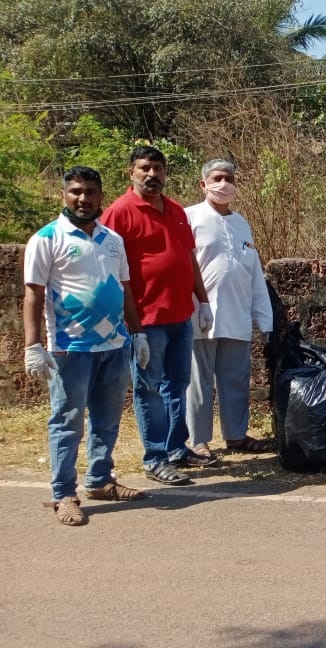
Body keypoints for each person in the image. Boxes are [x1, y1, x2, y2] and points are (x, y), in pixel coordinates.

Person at [23, 166, 148, 525]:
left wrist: (137, 333)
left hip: (114, 345)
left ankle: (100, 480)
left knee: (107, 420)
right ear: (64, 194)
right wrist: (33, 345)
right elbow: (33, 294)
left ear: (100, 196)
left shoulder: (112, 239)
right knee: (67, 421)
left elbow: (125, 288)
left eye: (91, 191)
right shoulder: (47, 238)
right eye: (76, 191)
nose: (83, 198)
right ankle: (63, 493)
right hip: (70, 348)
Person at [101, 146, 216, 486]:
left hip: (180, 315)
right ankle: (155, 458)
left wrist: (203, 300)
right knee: (148, 388)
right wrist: (128, 323)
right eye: (144, 168)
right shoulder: (119, 213)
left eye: (158, 168)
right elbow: (109, 271)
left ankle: (176, 448)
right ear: (131, 173)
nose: (152, 175)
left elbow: (188, 256)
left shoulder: (177, 210)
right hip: (144, 321)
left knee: (177, 384)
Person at [184, 160, 274, 459]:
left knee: (235, 380)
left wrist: (263, 317)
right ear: (203, 184)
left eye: (229, 178)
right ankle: (197, 440)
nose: (223, 184)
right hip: (201, 314)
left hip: (237, 314)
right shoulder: (190, 218)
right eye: (217, 178)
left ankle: (235, 435)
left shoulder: (242, 223)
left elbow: (254, 272)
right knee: (199, 382)